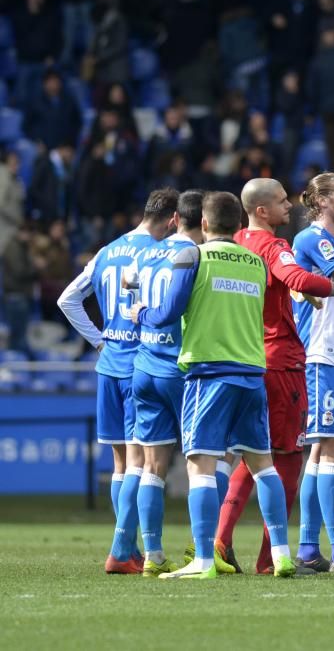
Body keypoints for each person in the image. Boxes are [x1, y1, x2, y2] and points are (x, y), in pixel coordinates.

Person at [131, 191, 295, 579]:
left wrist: (142, 312)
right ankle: (283, 554)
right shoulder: (256, 261)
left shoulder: (193, 255)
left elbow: (169, 311)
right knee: (263, 465)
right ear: (240, 225)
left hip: (209, 373)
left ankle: (204, 558)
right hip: (253, 373)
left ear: (203, 224)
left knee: (200, 464)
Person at [215, 177, 334, 575]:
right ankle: (267, 558)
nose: (290, 207)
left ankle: (222, 542)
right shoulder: (274, 246)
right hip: (282, 361)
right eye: (282, 202)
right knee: (288, 458)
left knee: (254, 455)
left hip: (246, 355)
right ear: (261, 211)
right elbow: (299, 279)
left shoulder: (237, 242)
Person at [57, 188, 178, 574]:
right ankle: (122, 548)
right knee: (141, 463)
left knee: (120, 464)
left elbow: (66, 300)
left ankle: (127, 548)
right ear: (173, 219)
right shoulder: (155, 254)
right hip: (137, 366)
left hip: (108, 365)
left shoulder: (109, 251)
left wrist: (98, 340)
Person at [124, 190, 220, 577]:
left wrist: (139, 314)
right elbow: (181, 308)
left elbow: (129, 296)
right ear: (205, 223)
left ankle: (153, 553)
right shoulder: (197, 258)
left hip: (143, 367)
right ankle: (208, 551)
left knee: (152, 465)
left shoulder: (144, 253)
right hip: (179, 371)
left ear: (175, 219)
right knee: (212, 458)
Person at [291, 172, 334, 574]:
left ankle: (306, 549)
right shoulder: (313, 239)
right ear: (320, 202)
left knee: (320, 452)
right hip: (320, 353)